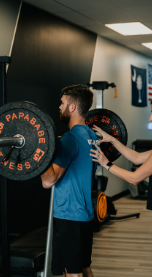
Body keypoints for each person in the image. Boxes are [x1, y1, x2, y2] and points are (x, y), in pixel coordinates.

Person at [90, 93, 152, 277]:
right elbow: (137, 157)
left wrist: (106, 164)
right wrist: (112, 140)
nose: (150, 118)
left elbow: (134, 178)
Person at [41, 84, 98, 277]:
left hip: (69, 214)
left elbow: (48, 181)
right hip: (85, 213)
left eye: (62, 103)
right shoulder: (91, 135)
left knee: (72, 272)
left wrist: (39, 153)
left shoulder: (70, 139)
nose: (59, 106)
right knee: (84, 267)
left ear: (72, 107)